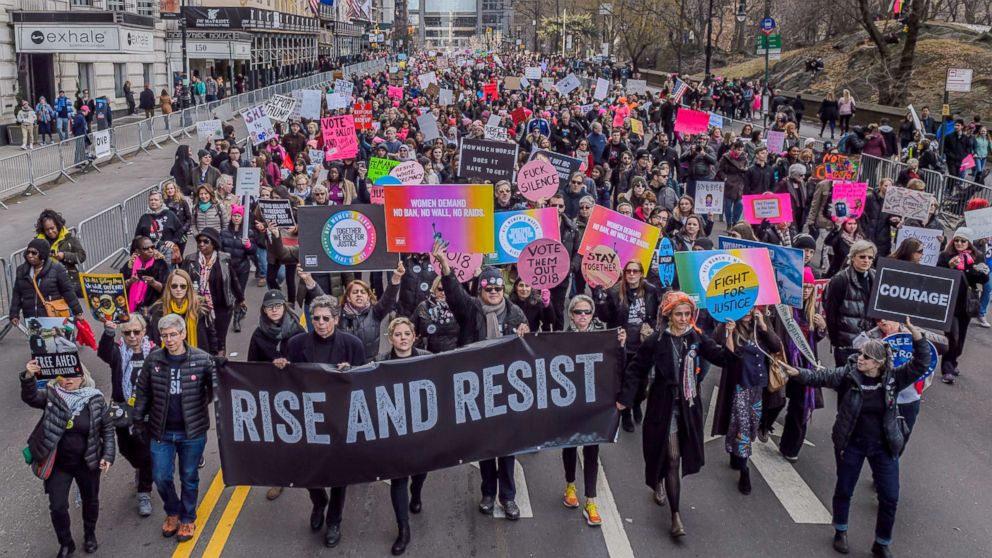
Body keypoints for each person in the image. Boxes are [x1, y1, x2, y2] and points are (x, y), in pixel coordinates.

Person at [782, 318, 930, 558]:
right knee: (844, 489)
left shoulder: (894, 378)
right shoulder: (849, 375)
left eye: (866, 357)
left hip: (883, 447)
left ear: (879, 364)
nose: (860, 358)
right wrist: (797, 372)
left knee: (890, 497)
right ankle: (840, 530)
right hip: (852, 443)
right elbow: (822, 377)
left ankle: (881, 542)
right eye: (860, 354)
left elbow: (922, 363)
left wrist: (917, 336)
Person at [618, 291, 735, 537]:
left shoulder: (696, 338)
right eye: (678, 314)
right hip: (663, 404)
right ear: (668, 314)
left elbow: (723, 358)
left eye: (687, 314)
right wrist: (625, 400)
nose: (683, 319)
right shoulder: (656, 340)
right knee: (672, 456)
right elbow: (636, 369)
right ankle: (675, 515)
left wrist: (730, 334)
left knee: (680, 450)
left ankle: (662, 481)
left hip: (689, 405)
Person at [431, 240, 528, 520]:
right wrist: (445, 266)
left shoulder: (516, 313)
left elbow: (529, 349)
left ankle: (508, 497)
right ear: (481, 289)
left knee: (507, 448)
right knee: (486, 446)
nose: (494, 292)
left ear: (503, 290)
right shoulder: (471, 309)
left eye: (498, 288)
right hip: (478, 389)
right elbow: (454, 294)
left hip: (509, 390)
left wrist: (525, 334)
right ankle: (488, 493)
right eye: (489, 288)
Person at [279, 295, 365, 548]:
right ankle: (319, 502)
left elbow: (365, 382)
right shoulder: (296, 344)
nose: (321, 323)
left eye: (326, 318)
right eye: (316, 318)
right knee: (306, 469)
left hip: (341, 418)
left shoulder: (352, 344)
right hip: (307, 418)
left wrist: (352, 373)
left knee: (339, 473)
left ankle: (335, 520)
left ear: (336, 319)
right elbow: (287, 380)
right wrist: (280, 366)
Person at [132, 313, 217, 543]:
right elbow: (143, 392)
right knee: (161, 476)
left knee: (189, 476)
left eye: (173, 335)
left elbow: (216, 389)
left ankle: (188, 518)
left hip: (193, 432)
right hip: (161, 431)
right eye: (164, 336)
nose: (169, 340)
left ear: (183, 334)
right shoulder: (154, 360)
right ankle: (173, 511)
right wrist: (138, 420)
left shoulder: (202, 359)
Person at [22, 361, 114, 557]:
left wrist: (107, 455)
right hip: (58, 465)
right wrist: (29, 377)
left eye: (73, 375)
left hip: (87, 462)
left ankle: (90, 535)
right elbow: (30, 397)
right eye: (63, 376)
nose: (68, 379)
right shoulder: (51, 396)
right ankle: (66, 543)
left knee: (91, 501)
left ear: (83, 377)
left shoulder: (95, 399)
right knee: (57, 507)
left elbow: (107, 428)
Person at [561, 295, 626, 527]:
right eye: (578, 312)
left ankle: (590, 499)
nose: (583, 316)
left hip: (595, 404)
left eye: (587, 312)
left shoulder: (603, 336)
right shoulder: (562, 339)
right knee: (569, 446)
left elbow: (618, 365)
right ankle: (570, 485)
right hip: (569, 403)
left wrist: (620, 346)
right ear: (571, 315)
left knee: (592, 450)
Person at [375, 317, 432, 554]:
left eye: (407, 333)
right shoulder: (379, 363)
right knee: (399, 478)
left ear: (414, 336)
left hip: (422, 429)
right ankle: (403, 529)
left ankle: (416, 492)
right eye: (397, 334)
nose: (403, 338)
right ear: (390, 339)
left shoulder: (429, 359)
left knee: (420, 472)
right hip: (395, 432)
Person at [712, 307, 783, 494]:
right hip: (739, 387)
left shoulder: (760, 325)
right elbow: (719, 346)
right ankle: (745, 471)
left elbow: (776, 346)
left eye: (750, 308)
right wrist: (727, 329)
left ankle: (736, 454)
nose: (747, 312)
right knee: (743, 428)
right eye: (743, 308)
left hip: (758, 388)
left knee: (750, 427)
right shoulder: (730, 327)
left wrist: (762, 325)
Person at [761, 268, 826, 461]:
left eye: (810, 287)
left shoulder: (814, 311)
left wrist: (822, 328)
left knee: (800, 407)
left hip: (804, 366)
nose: (806, 291)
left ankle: (791, 448)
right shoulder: (784, 308)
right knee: (776, 399)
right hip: (783, 361)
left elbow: (813, 341)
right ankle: (764, 424)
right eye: (803, 286)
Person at [97, 315, 156, 517]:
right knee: (126, 448)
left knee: (147, 452)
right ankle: (139, 466)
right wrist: (108, 332)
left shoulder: (155, 353)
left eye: (136, 332)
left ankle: (144, 492)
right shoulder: (118, 353)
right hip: (122, 410)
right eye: (127, 332)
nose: (132, 336)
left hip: (147, 411)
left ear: (144, 331)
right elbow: (103, 353)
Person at [594, 259, 660, 431]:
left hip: (643, 344)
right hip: (622, 344)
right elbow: (606, 317)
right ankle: (626, 414)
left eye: (635, 271)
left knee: (642, 383)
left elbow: (658, 313)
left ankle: (637, 402)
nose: (631, 274)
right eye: (628, 271)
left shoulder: (651, 291)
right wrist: (600, 302)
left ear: (641, 274)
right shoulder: (615, 292)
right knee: (624, 381)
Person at [936, 227, 989, 384]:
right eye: (957, 240)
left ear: (969, 243)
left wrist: (980, 272)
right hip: (950, 300)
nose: (959, 243)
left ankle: (954, 360)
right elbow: (937, 276)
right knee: (953, 335)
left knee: (961, 338)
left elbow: (982, 281)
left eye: (963, 241)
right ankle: (947, 369)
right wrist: (950, 267)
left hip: (966, 303)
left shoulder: (977, 256)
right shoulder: (946, 256)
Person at [181, 227, 245, 356]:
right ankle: (207, 366)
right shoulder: (190, 260)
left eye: (205, 241)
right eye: (199, 242)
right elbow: (182, 280)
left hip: (222, 307)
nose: (201, 244)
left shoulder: (224, 259)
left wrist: (241, 299)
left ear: (214, 243)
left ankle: (220, 367)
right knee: (204, 339)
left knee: (220, 340)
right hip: (199, 308)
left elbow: (233, 279)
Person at [336, 262, 404, 362]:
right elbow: (321, 300)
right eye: (355, 292)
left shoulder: (375, 313)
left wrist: (396, 278)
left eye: (363, 292)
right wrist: (308, 279)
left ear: (368, 297)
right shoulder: (338, 314)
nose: (359, 295)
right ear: (348, 298)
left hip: (370, 366)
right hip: (346, 366)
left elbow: (388, 298)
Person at [824, 240, 877, 366]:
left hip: (870, 342)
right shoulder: (840, 280)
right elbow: (831, 312)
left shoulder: (875, 277)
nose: (866, 260)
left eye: (870, 257)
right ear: (853, 257)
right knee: (845, 381)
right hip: (846, 343)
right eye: (862, 257)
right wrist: (836, 341)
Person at [8, 238, 83, 326]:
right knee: (37, 340)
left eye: (34, 253)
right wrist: (14, 314)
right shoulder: (21, 270)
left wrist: (78, 312)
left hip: (54, 318)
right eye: (28, 252)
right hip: (32, 320)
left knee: (58, 339)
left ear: (42, 255)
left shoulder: (57, 269)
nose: (30, 255)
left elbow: (68, 291)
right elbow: (17, 294)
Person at [146, 269, 215, 353]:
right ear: (169, 287)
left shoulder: (199, 305)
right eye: (174, 286)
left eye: (182, 286)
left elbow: (210, 332)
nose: (178, 289)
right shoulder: (158, 308)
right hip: (168, 357)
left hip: (197, 355)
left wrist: (213, 356)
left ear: (188, 287)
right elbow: (154, 336)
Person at [36, 209, 87, 296]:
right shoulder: (38, 242)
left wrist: (64, 256)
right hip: (49, 286)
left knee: (71, 308)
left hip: (69, 282)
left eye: (52, 228)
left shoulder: (69, 239)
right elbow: (31, 259)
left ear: (58, 225)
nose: (50, 232)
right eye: (47, 230)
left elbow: (81, 256)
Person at [121, 235, 169, 314]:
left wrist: (153, 282)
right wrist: (130, 281)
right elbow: (119, 287)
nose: (150, 250)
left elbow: (167, 288)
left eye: (152, 247)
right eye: (146, 248)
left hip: (151, 309)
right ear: (138, 251)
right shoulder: (130, 264)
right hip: (131, 309)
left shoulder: (160, 264)